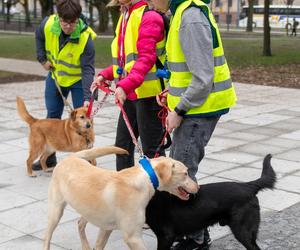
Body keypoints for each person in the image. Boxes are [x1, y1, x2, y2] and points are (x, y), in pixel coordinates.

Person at [149, 0, 237, 249]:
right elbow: (188, 70)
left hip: (200, 109)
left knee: (183, 176)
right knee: (179, 171)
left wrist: (179, 109)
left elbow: (203, 77)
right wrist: (172, 89)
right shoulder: (181, 13)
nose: (149, 3)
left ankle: (196, 239)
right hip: (195, 106)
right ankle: (185, 230)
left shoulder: (190, 18)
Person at [91, 0, 167, 170]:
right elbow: (126, 61)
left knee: (152, 153)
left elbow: (146, 59)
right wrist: (107, 74)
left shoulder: (149, 16)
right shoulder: (126, 15)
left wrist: (124, 85)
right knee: (122, 147)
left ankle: (161, 196)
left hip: (149, 95)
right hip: (131, 93)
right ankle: (125, 191)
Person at [34, 0, 97, 170]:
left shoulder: (86, 39)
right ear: (58, 17)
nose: (68, 26)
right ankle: (50, 158)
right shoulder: (47, 25)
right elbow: (39, 36)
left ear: (78, 19)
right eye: (64, 22)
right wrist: (42, 59)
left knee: (83, 117)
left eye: (73, 22)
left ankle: (85, 158)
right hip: (56, 78)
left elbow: (88, 70)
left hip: (77, 80)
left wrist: (87, 96)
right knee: (52, 117)